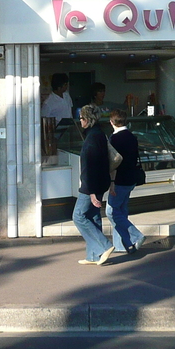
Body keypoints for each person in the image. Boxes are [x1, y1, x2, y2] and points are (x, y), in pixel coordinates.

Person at [73, 104, 117, 266]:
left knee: (78, 216)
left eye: (82, 118)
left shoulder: (91, 138)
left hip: (91, 184)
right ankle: (93, 255)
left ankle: (104, 245)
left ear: (87, 120)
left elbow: (89, 166)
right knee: (92, 215)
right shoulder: (100, 134)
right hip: (101, 181)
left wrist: (91, 191)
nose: (80, 121)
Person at [106, 108, 146, 254]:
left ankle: (136, 236)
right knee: (122, 210)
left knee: (111, 211)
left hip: (119, 180)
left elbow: (114, 162)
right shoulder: (132, 137)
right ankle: (122, 244)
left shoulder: (114, 139)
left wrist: (111, 182)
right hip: (132, 178)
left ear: (111, 122)